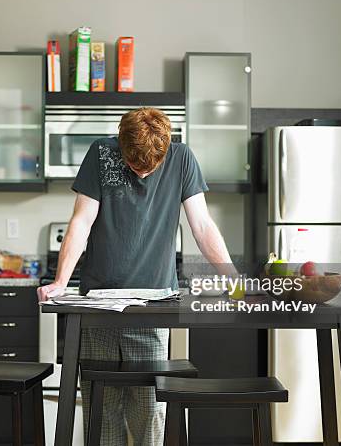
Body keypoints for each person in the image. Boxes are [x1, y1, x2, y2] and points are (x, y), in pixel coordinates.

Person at [37, 107, 237, 445]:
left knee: (149, 409)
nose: (142, 173)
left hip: (152, 304)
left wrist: (232, 277)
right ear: (121, 144)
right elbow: (81, 221)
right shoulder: (102, 153)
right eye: (134, 164)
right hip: (98, 304)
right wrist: (60, 280)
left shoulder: (182, 158)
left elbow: (202, 226)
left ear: (165, 149)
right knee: (102, 409)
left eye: (150, 166)